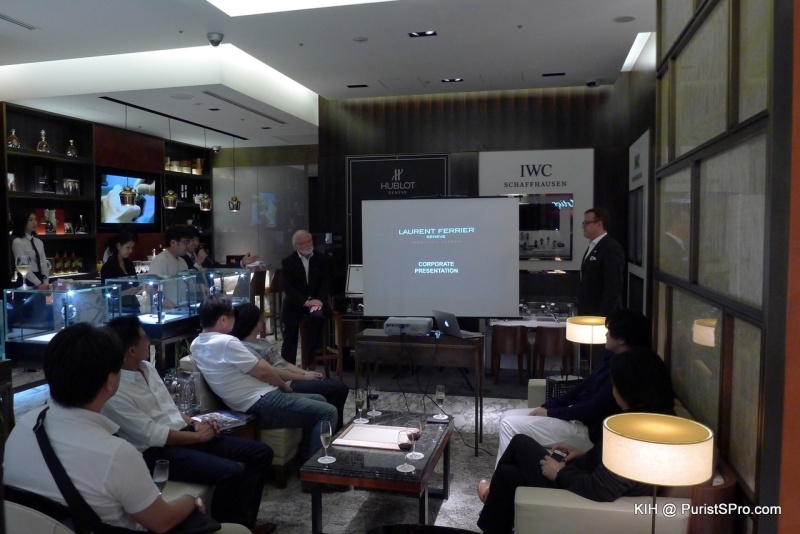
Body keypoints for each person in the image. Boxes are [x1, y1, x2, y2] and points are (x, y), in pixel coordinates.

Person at [3, 323, 249, 533]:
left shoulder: (25, 426)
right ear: (111, 381)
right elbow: (161, 521)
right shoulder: (117, 454)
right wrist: (191, 500)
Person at [101, 315, 276, 533]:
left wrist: (195, 423)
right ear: (131, 351)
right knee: (229, 472)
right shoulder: (116, 392)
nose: (149, 341)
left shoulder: (147, 368)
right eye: (145, 337)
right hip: (157, 452)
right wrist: (198, 437)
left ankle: (245, 523)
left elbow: (169, 407)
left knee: (261, 453)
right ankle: (220, 528)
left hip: (183, 433)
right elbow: (153, 434)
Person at [476, 348, 675, 534]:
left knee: (520, 443)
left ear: (627, 390)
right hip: (582, 476)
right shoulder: (656, 419)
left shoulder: (632, 434)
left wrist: (559, 472)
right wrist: (584, 454)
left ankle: (491, 511)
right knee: (508, 473)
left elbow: (601, 488)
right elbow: (619, 469)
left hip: (577, 492)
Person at [191, 294, 338, 461]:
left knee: (319, 399)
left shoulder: (196, 344)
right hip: (260, 402)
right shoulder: (227, 342)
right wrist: (284, 385)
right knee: (328, 412)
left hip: (250, 400)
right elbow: (263, 372)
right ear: (223, 319)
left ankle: (305, 460)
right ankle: (316, 469)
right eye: (233, 315)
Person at [494, 308, 651, 463]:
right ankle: (507, 473)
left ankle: (503, 479)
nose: (605, 334)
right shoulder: (610, 357)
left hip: (589, 430)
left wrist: (551, 413)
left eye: (609, 331)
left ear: (621, 339)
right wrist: (550, 406)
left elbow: (592, 409)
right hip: (576, 417)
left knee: (509, 424)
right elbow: (583, 385)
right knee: (506, 416)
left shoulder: (626, 370)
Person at [231, 303, 350, 432]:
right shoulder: (246, 348)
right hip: (285, 383)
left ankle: (332, 430)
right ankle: (335, 432)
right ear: (251, 322)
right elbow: (273, 371)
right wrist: (304, 377)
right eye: (260, 319)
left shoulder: (263, 342)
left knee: (336, 388)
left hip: (292, 377)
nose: (263, 321)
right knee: (338, 389)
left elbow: (285, 363)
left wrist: (305, 372)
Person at [280, 230, 331, 369]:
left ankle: (311, 354)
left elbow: (326, 282)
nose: (307, 245)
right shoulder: (288, 262)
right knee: (290, 325)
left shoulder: (321, 259)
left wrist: (320, 300)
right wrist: (305, 302)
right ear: (296, 246)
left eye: (309, 241)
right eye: (303, 243)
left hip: (316, 302)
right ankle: (288, 366)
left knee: (317, 317)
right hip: (296, 302)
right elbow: (288, 287)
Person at [576, 207, 625, 317]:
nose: (583, 226)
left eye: (586, 223)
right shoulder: (593, 246)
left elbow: (613, 286)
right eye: (583, 223)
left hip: (600, 313)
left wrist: (603, 316)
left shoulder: (611, 247)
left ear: (599, 224)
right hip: (588, 310)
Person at [148, 225, 194, 308]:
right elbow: (151, 288)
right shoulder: (161, 260)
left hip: (181, 308)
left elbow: (189, 284)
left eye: (189, 242)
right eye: (185, 242)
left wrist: (202, 288)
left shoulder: (182, 261)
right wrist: (166, 302)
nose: (188, 246)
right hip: (165, 310)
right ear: (173, 243)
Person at [101, 230, 144, 312]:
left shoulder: (129, 264)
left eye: (132, 248)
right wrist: (127, 292)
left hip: (133, 306)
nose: (130, 251)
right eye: (128, 247)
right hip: (117, 309)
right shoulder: (107, 267)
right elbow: (105, 293)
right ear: (118, 246)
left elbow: (136, 283)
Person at [11, 210, 50, 287]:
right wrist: (38, 283)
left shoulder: (39, 242)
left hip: (40, 278)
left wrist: (46, 283)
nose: (34, 222)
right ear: (23, 222)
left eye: (35, 219)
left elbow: (43, 264)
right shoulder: (17, 242)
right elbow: (23, 266)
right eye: (30, 220)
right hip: (26, 280)